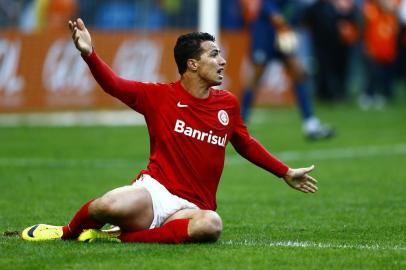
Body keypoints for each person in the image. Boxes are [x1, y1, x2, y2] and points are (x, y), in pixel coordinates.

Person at [21, 18, 318, 244]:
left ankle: (119, 238)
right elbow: (114, 84)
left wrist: (284, 172)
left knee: (210, 225)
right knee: (107, 204)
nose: (223, 61)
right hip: (154, 193)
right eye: (214, 55)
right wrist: (89, 53)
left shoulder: (227, 104)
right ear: (192, 64)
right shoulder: (159, 97)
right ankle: (66, 233)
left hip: (193, 207)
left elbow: (245, 144)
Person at [239, 0, 335, 140]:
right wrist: (280, 19)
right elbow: (270, 10)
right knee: (255, 77)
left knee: (298, 74)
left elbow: (297, 14)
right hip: (265, 32)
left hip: (283, 33)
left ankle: (310, 124)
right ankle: (239, 124)